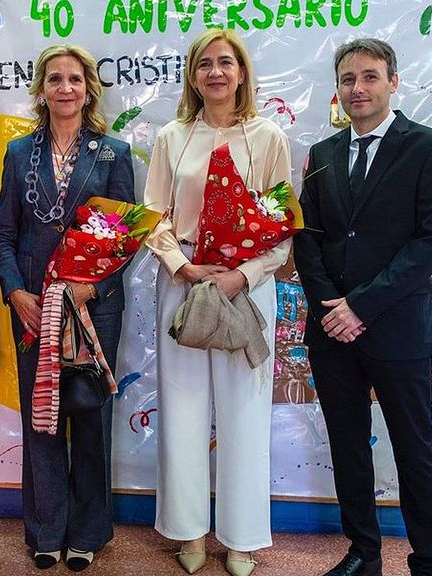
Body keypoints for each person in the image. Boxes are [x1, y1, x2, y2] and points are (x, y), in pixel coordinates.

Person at [293, 38, 432, 576]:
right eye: (348, 79)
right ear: (337, 89)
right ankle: (363, 552)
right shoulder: (322, 154)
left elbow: (430, 242)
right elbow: (307, 238)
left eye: (369, 77)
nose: (357, 88)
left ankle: (428, 562)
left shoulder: (430, 148)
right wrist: (327, 308)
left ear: (393, 82)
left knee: (415, 450)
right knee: (348, 446)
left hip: (398, 328)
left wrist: (358, 306)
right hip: (332, 331)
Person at [143, 28, 293, 576]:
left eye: (225, 63)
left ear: (243, 72)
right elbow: (152, 216)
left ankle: (242, 537)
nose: (215, 73)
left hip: (247, 289)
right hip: (184, 282)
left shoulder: (269, 136)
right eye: (204, 64)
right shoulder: (172, 137)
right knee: (182, 410)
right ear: (192, 75)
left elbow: (283, 226)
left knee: (244, 414)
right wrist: (182, 266)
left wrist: (245, 274)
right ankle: (188, 533)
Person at [0, 44, 135, 572]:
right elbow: (4, 235)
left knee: (91, 416)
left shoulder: (113, 154)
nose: (65, 88)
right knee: (43, 419)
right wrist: (14, 291)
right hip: (34, 308)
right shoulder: (17, 153)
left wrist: (91, 290)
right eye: (55, 79)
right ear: (41, 89)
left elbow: (126, 240)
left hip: (95, 307)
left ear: (89, 88)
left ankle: (90, 532)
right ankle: (45, 531)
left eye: (75, 79)